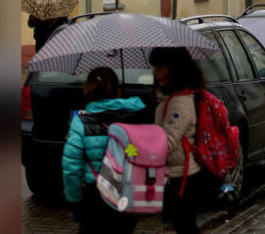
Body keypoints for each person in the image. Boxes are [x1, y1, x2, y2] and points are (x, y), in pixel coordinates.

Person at [61, 67, 145, 234]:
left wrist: (75, 203)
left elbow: (71, 170)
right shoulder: (134, 116)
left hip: (97, 198)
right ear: (117, 89)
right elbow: (138, 154)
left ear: (88, 88)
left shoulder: (81, 122)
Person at [150, 47, 207, 234]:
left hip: (183, 177)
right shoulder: (169, 97)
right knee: (184, 226)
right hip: (176, 175)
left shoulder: (179, 101)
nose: (155, 74)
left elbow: (168, 141)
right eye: (154, 68)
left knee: (186, 227)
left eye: (160, 68)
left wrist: (136, 148)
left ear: (175, 69)